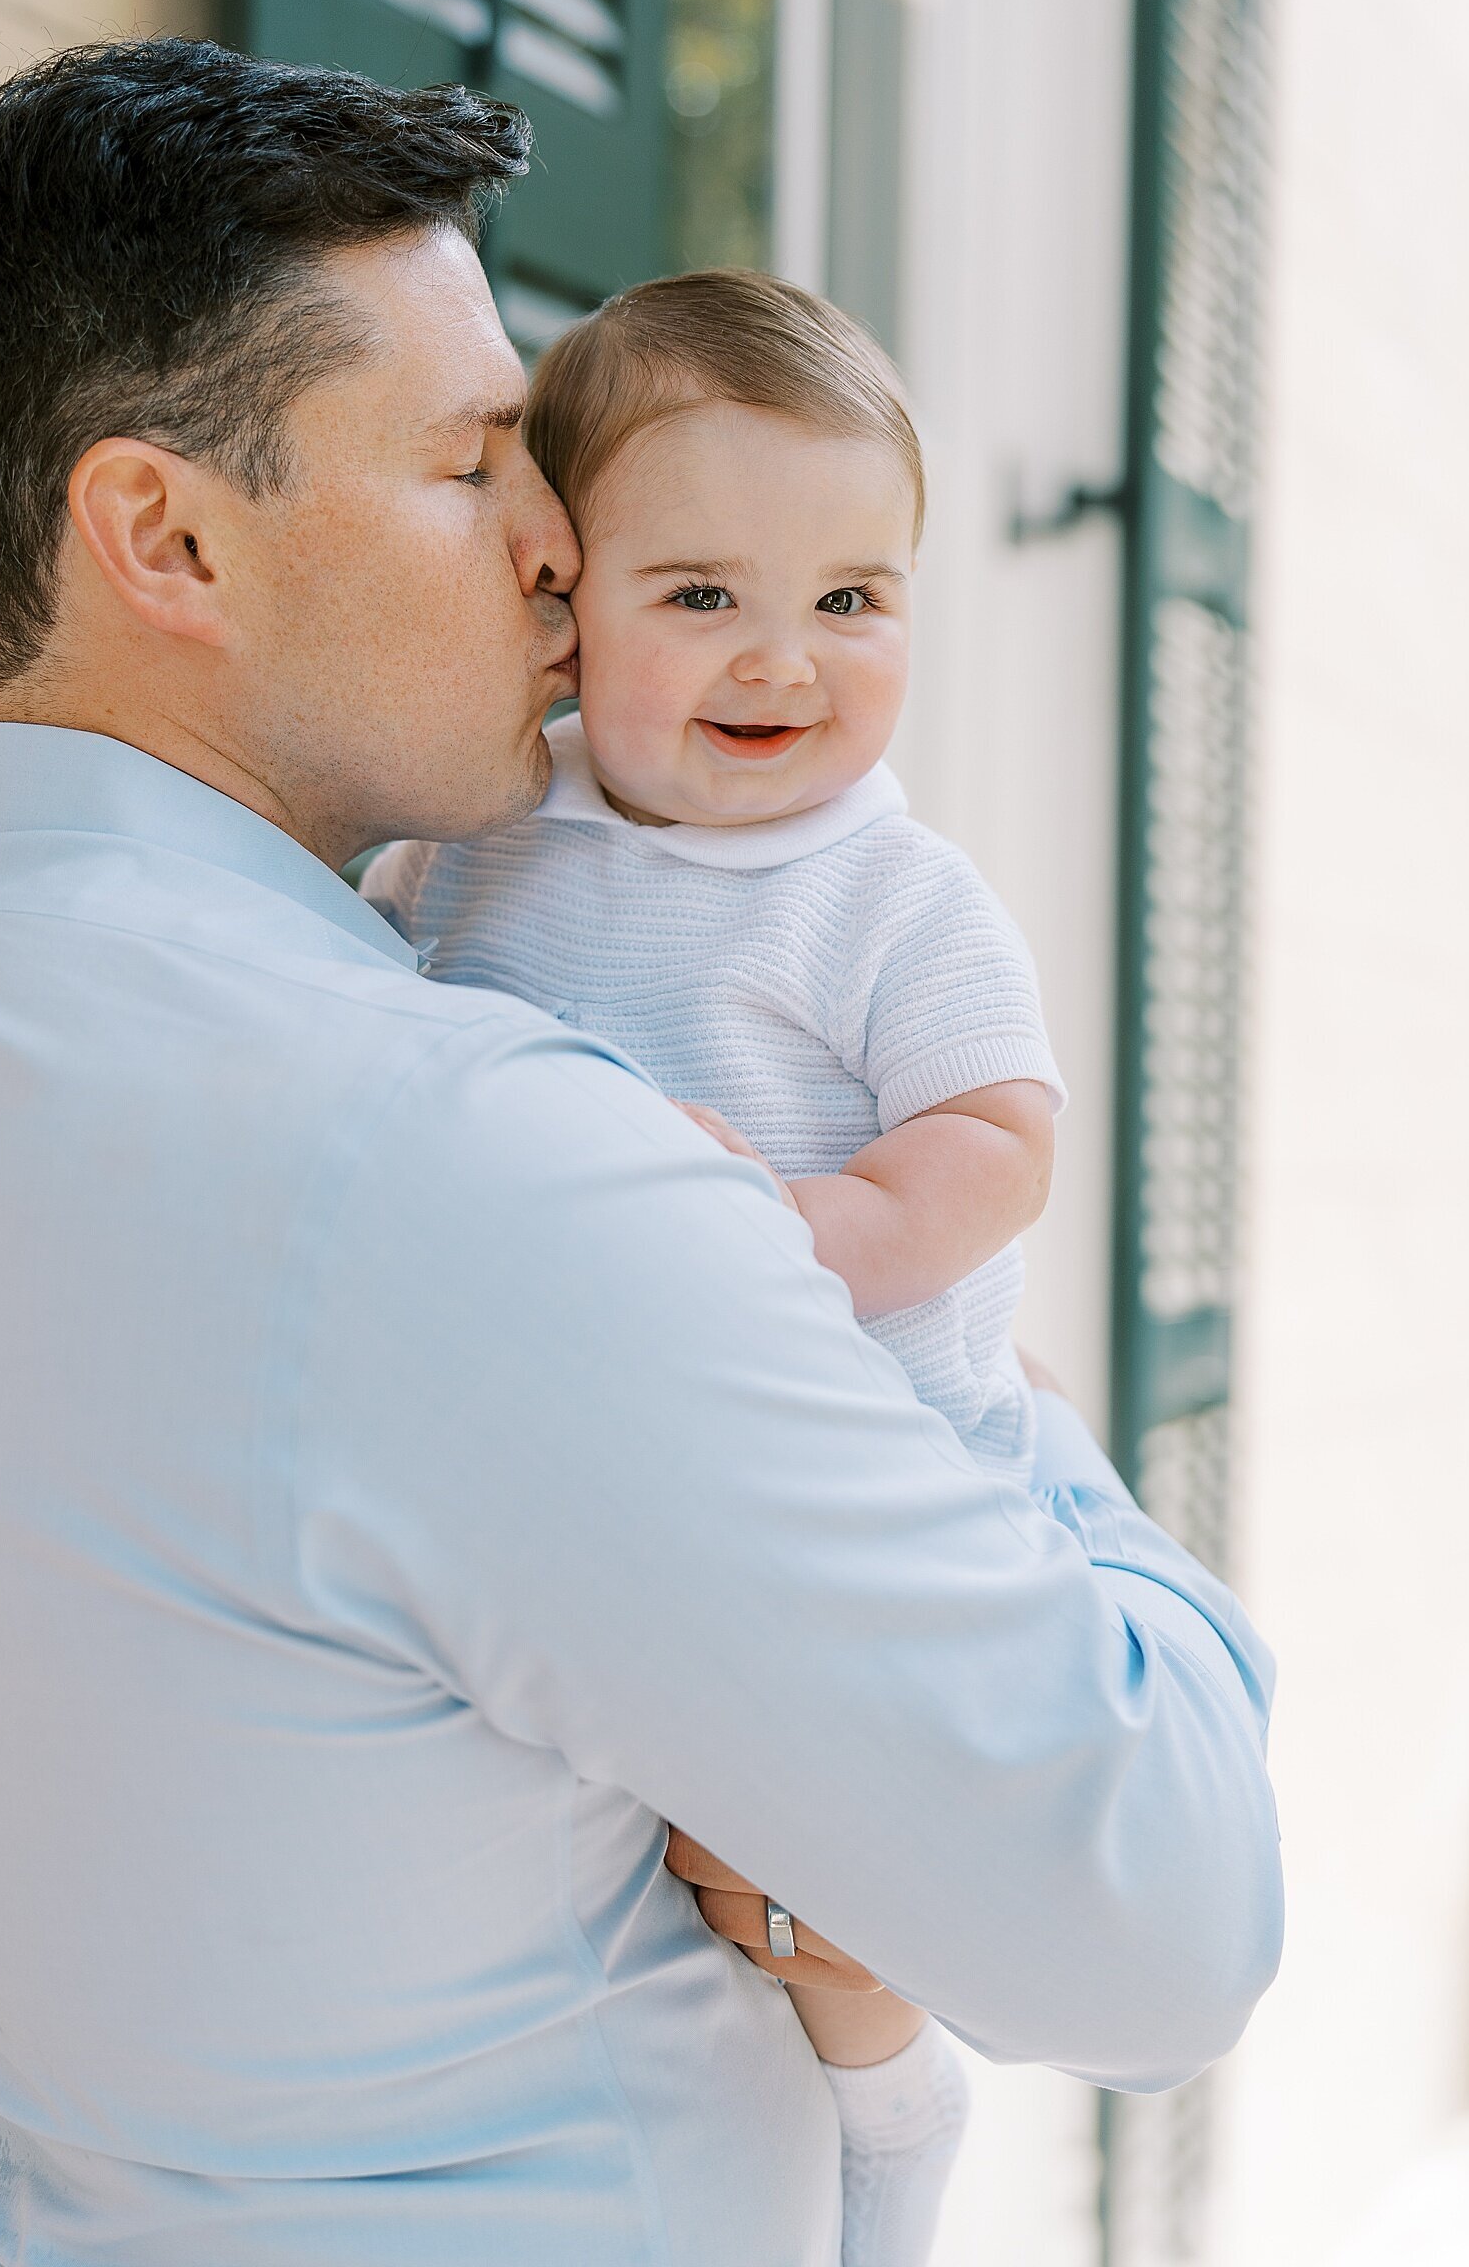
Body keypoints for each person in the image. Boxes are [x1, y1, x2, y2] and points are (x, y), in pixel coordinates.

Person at [0, 39, 1282, 2267]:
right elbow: (1156, 1915)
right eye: (480, 459)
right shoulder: (449, 1166)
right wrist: (1026, 1429)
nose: (562, 546)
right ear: (165, 534)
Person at [365, 269, 1069, 2263]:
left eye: (852, 599)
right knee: (630, 1842)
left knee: (812, 1877)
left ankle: (889, 2107)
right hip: (599, 1462)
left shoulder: (886, 895)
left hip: (854, 1470)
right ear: (559, 601)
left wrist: (802, 1232)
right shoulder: (478, 845)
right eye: (701, 597)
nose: (787, 659)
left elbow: (998, 1145)